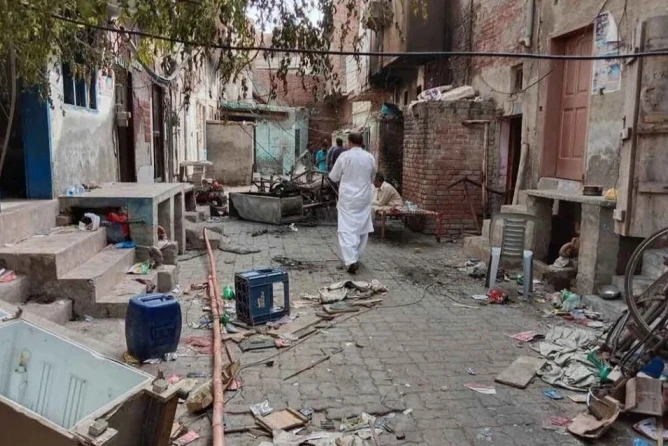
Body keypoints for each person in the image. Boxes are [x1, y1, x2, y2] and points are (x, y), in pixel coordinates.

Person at [329, 132, 377, 274]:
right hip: (364, 198)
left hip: (348, 199)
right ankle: (356, 257)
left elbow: (334, 176)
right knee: (362, 227)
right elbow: (373, 177)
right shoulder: (370, 157)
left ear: (349, 142)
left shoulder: (345, 156)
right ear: (361, 142)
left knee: (346, 229)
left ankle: (351, 260)